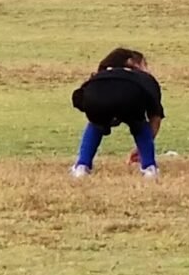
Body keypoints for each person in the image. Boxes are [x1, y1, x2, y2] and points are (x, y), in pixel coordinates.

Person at [70, 47, 164, 178]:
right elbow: (155, 118)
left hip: (95, 97)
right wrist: (142, 148)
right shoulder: (144, 79)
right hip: (132, 97)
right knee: (139, 124)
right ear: (132, 63)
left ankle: (82, 166)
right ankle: (149, 167)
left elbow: (81, 95)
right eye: (144, 64)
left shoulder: (101, 75)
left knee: (96, 124)